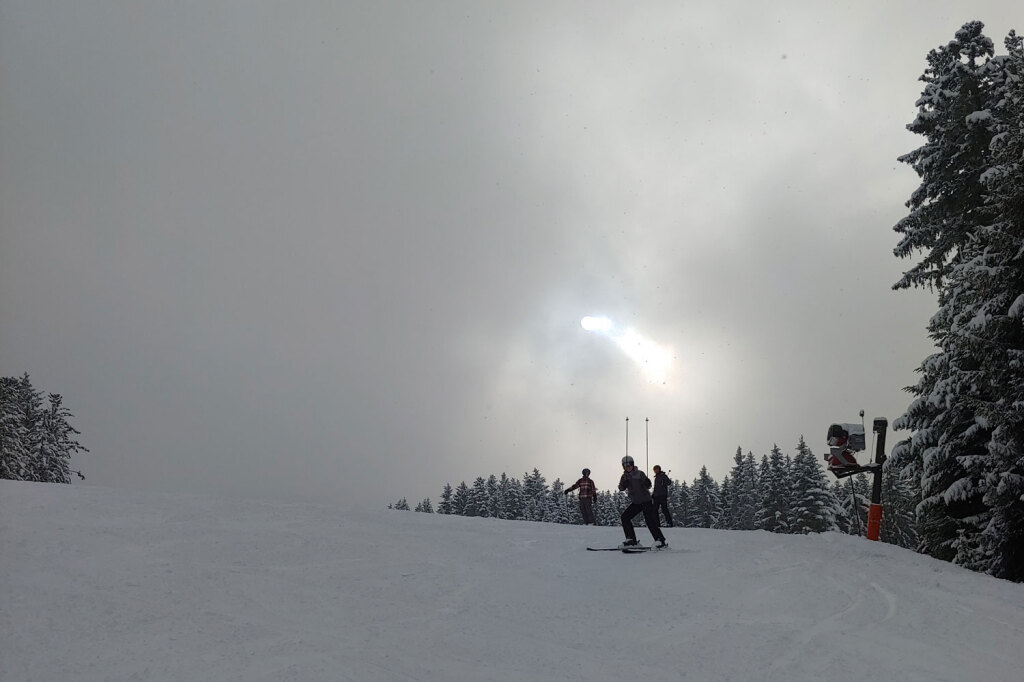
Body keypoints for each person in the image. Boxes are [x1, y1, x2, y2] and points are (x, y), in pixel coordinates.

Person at [618, 455, 667, 548]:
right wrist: (624, 483)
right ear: (623, 467)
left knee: (649, 520)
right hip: (636, 503)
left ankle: (660, 541)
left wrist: (647, 482)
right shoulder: (624, 477)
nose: (628, 467)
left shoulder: (640, 473)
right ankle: (631, 540)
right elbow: (621, 488)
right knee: (625, 517)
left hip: (646, 501)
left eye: (629, 465)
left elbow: (648, 485)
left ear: (633, 465)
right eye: (626, 466)